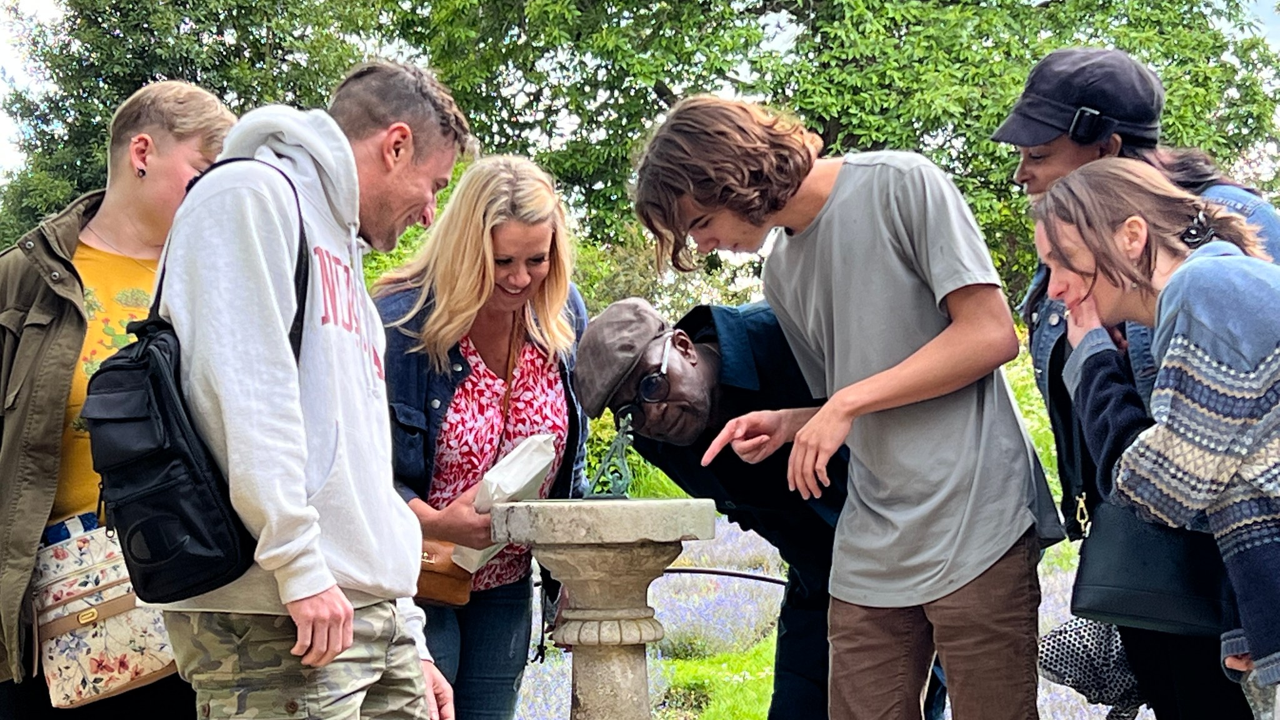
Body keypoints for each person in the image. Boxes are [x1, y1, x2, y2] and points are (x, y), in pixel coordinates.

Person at [633, 96, 1063, 720]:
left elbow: (990, 335)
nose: (704, 244)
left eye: (699, 222)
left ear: (728, 176)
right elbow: (859, 398)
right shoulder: (780, 270)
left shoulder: (901, 184)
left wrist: (844, 402)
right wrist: (792, 422)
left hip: (976, 517)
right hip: (873, 536)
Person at [152, 61, 472, 720]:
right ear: (396, 145)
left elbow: (358, 460)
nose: (430, 209)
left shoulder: (344, 251)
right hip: (283, 614)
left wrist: (405, 626)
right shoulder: (248, 197)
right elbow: (243, 396)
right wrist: (298, 566)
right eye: (434, 184)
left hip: (363, 612)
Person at [993, 46, 1280, 719]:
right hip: (1201, 585)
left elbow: (1182, 478)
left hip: (1206, 579)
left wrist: (1091, 350)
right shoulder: (1116, 248)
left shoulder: (1205, 276)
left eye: (1039, 153)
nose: (1021, 172)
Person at [575, 297, 951, 720]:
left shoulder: (787, 331)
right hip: (818, 581)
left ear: (682, 345)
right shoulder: (656, 439)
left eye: (651, 386)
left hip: (911, 561)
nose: (654, 413)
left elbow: (914, 400)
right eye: (630, 412)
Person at [0, 81, 234, 719]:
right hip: (54, 608)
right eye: (203, 171)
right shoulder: (27, 277)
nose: (213, 192)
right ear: (142, 152)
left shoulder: (220, 276)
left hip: (197, 594)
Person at [373, 155, 588, 720]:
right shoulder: (403, 324)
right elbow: (358, 473)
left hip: (507, 578)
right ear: (467, 251)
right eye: (502, 263)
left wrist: (571, 563)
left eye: (536, 260)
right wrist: (436, 520)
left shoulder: (561, 316)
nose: (520, 279)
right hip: (420, 574)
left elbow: (572, 454)